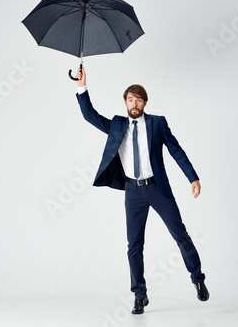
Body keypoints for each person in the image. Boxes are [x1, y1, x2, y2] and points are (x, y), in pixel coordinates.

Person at [74, 67, 209, 314]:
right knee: (134, 245)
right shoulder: (117, 125)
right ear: (125, 102)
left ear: (145, 102)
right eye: (130, 100)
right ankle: (139, 294)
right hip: (132, 192)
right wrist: (82, 86)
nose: (134, 104)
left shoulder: (158, 124)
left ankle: (198, 279)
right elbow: (89, 115)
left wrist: (193, 177)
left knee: (180, 235)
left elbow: (176, 150)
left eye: (138, 100)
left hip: (158, 188)